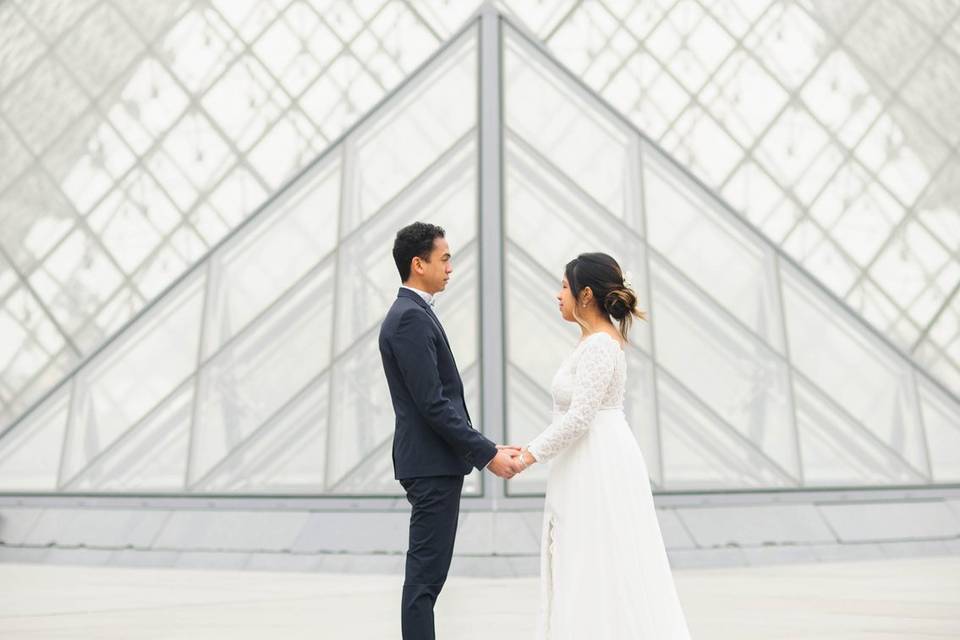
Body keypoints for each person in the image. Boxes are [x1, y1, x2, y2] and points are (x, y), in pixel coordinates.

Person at [510, 252, 693, 639]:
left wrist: (528, 455)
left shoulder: (600, 346)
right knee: (588, 558)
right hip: (588, 457)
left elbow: (580, 417)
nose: (558, 295)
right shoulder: (591, 341)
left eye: (564, 286)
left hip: (597, 462)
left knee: (594, 558)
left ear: (586, 294)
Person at [378, 221, 523, 640]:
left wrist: (486, 445)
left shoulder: (413, 313)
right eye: (444, 259)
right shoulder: (409, 319)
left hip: (432, 462)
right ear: (417, 264)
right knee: (424, 580)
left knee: (428, 578)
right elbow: (432, 403)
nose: (450, 268)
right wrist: (487, 454)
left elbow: (435, 402)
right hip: (430, 466)